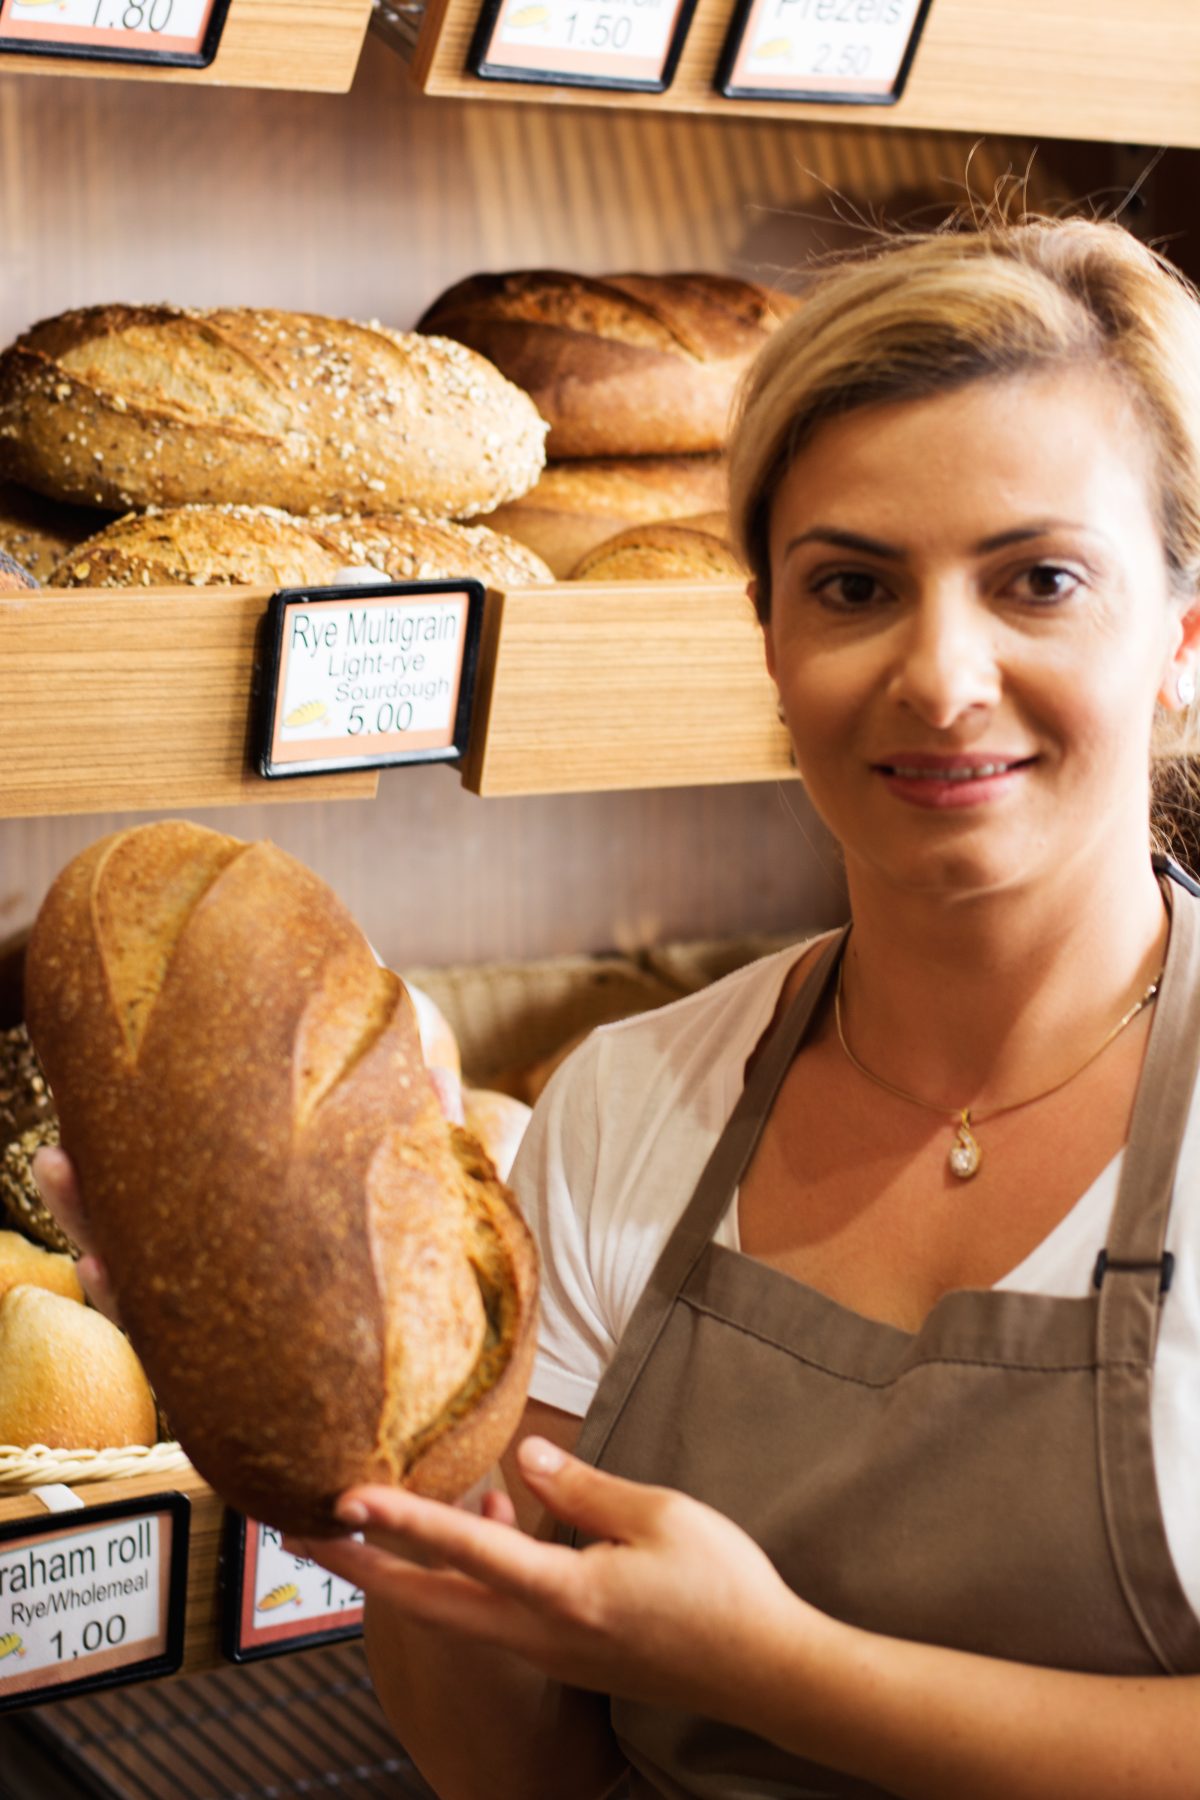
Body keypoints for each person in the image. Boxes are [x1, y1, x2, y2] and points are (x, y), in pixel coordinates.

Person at [39, 214, 1200, 1799]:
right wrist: (366, 1502)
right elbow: (530, 1775)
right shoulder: (625, 1111)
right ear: (771, 646)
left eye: (1040, 580)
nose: (939, 675)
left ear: (1183, 641)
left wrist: (770, 1669)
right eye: (852, 585)